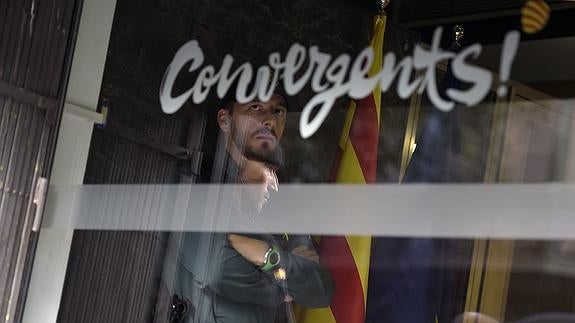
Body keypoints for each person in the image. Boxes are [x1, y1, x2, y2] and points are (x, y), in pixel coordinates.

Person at [172, 85, 334, 323]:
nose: (269, 120)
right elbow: (214, 268)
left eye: (278, 111)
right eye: (255, 107)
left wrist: (268, 256)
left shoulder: (278, 198)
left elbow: (320, 288)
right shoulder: (199, 180)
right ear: (225, 120)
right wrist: (285, 284)